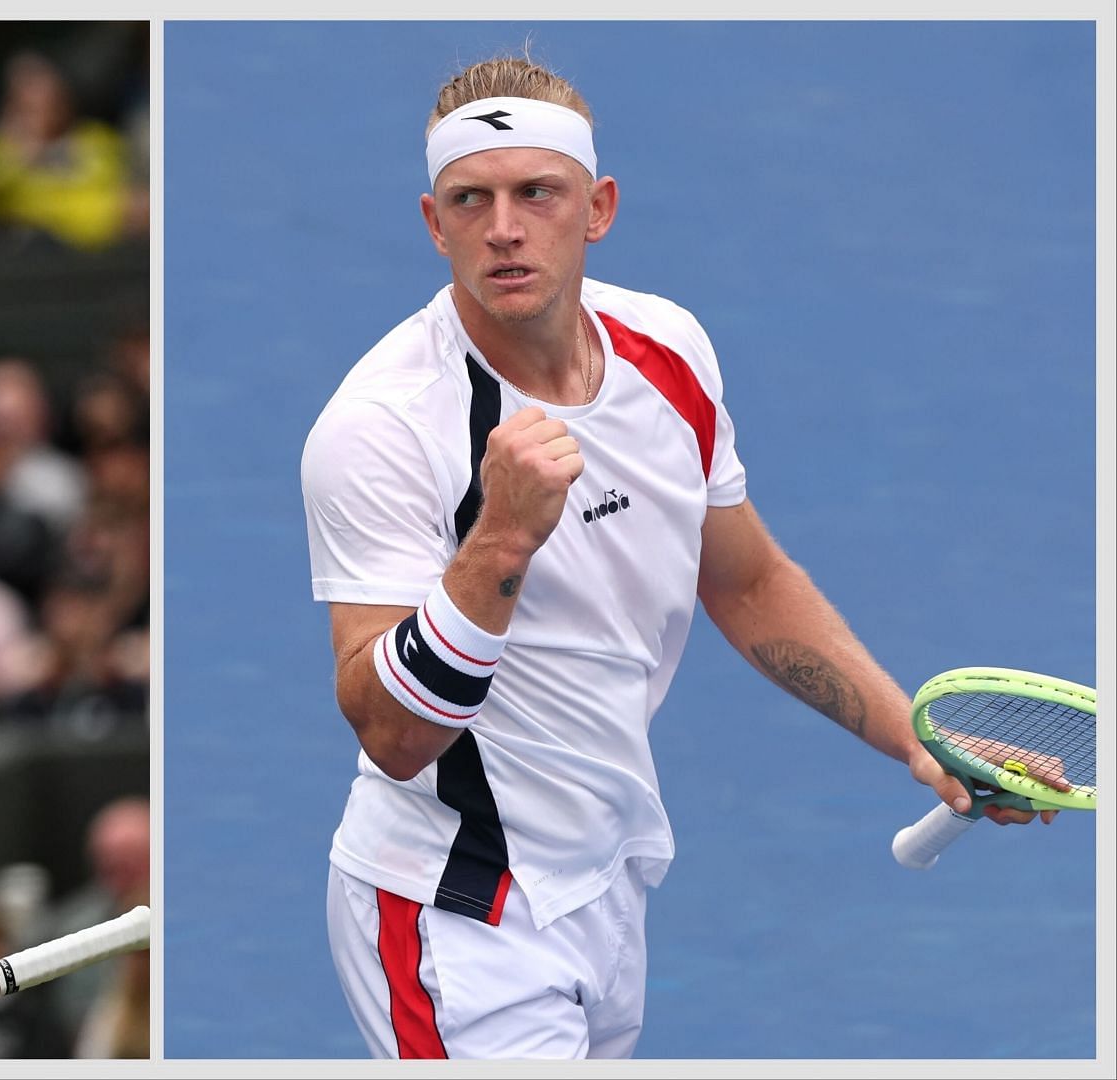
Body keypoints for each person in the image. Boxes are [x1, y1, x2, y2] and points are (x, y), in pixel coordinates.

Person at [299, 52, 1054, 1060]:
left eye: (538, 193)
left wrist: (911, 739)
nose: (505, 228)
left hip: (610, 879)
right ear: (435, 224)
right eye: (469, 200)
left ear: (598, 207)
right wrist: (503, 539)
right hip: (457, 911)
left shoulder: (671, 352)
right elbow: (391, 736)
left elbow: (745, 580)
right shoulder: (382, 428)